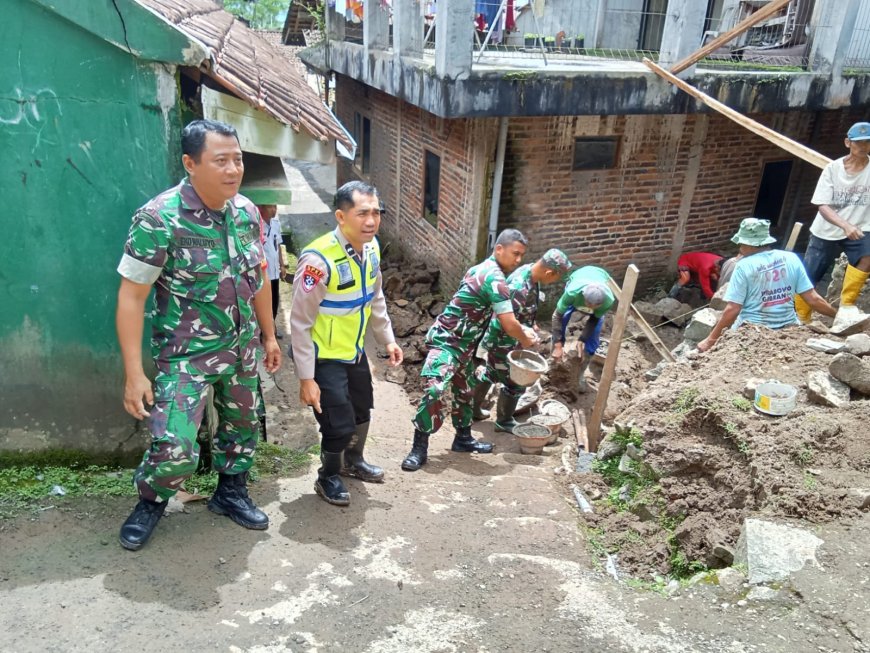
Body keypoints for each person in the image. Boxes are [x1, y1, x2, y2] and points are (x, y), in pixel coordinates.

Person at [115, 119, 281, 551]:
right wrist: (134, 374)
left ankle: (230, 492)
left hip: (241, 350)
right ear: (190, 163)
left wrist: (269, 335)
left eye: (238, 159)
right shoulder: (158, 219)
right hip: (185, 355)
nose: (233, 169)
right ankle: (152, 500)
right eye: (220, 160)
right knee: (175, 447)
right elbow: (132, 298)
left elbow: (258, 277)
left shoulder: (246, 212)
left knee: (242, 427)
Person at [289, 181, 403, 506]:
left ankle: (354, 461)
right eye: (362, 213)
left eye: (376, 213)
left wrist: (388, 340)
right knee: (337, 422)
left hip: (353, 352)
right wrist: (306, 378)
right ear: (341, 216)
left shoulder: (371, 248)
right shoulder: (318, 261)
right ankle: (327, 477)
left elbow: (375, 298)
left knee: (362, 408)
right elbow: (299, 323)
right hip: (323, 357)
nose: (371, 221)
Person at [401, 229, 539, 472]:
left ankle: (463, 438)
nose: (518, 260)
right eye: (515, 254)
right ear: (499, 249)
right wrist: (525, 337)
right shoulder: (494, 279)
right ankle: (419, 447)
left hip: (464, 345)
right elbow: (508, 323)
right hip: (448, 341)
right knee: (434, 389)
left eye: (521, 256)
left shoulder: (480, 269)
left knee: (465, 392)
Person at [698, 218, 836, 353]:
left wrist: (710, 340)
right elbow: (813, 298)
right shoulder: (791, 258)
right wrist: (836, 316)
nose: (740, 248)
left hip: (751, 331)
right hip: (789, 327)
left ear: (750, 244)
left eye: (742, 244)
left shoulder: (743, 266)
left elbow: (733, 309)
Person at [472, 249, 573, 432]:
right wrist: (524, 338)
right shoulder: (520, 287)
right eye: (555, 278)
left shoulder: (530, 274)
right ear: (549, 273)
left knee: (491, 373)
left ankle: (473, 410)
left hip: (506, 339)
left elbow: (521, 311)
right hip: (504, 341)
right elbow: (502, 321)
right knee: (514, 381)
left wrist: (529, 324)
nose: (554, 282)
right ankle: (503, 422)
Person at [794, 121, 870, 324]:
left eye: (867, 143)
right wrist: (845, 225)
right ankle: (801, 318)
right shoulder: (833, 169)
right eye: (858, 143)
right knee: (809, 274)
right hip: (826, 229)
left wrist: (853, 226)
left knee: (867, 256)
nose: (863, 147)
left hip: (862, 225)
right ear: (848, 143)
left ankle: (847, 304)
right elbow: (822, 205)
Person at [550, 266, 615, 393]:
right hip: (578, 284)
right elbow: (556, 316)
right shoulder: (572, 293)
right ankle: (554, 361)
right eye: (587, 304)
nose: (589, 307)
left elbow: (594, 319)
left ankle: (579, 375)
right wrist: (558, 345)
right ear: (583, 296)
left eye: (594, 306)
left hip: (600, 277)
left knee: (593, 337)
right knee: (561, 322)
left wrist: (583, 339)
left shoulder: (608, 300)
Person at [260, 204, 288, 338]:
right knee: (264, 302)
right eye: (271, 207)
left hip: (275, 271)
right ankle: (264, 331)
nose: (274, 210)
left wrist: (282, 265)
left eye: (275, 207)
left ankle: (271, 329)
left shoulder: (276, 224)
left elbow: (278, 246)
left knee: (275, 302)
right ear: (261, 208)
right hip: (263, 272)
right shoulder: (256, 224)